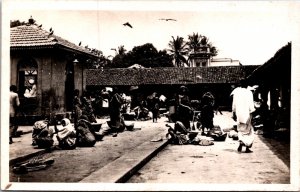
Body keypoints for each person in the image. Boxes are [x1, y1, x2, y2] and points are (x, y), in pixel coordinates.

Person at [232, 79, 255, 153]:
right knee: (249, 131)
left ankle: (241, 144)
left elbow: (234, 104)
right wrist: (252, 113)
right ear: (247, 85)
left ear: (240, 84)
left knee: (240, 130)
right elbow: (251, 105)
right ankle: (247, 148)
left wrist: (234, 113)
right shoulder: (249, 93)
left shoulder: (236, 92)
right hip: (247, 114)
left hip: (239, 114)